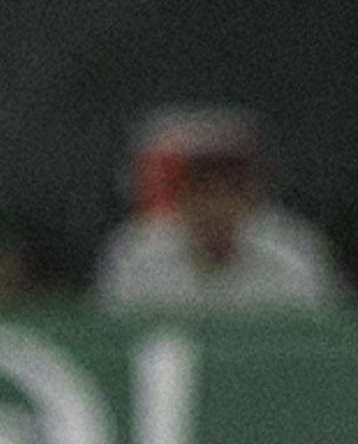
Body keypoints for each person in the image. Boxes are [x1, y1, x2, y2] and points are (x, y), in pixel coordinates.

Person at [92, 107, 341, 311]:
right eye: (202, 191)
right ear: (182, 199)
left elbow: (321, 344)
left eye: (231, 190)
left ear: (252, 199)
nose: (216, 206)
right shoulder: (137, 255)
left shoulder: (292, 254)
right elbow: (114, 342)